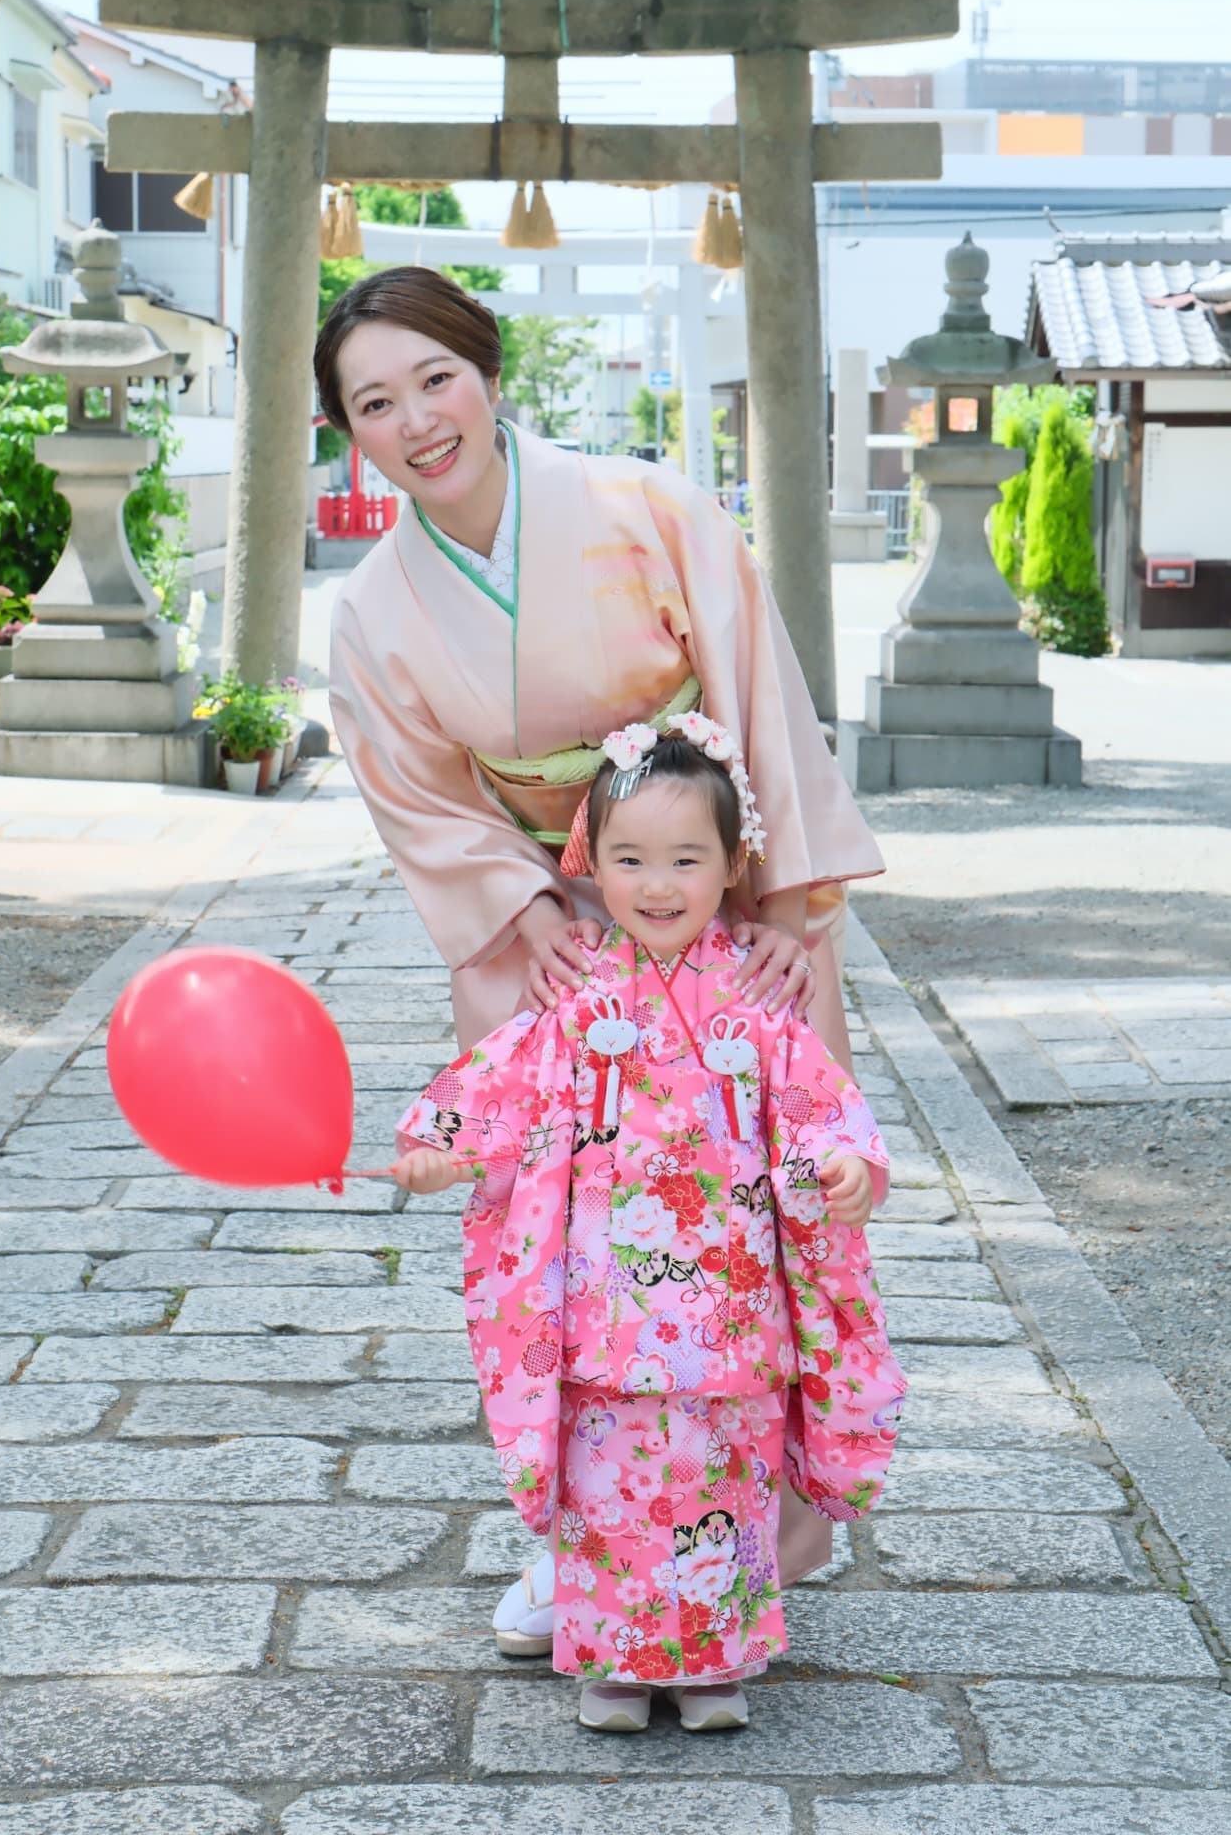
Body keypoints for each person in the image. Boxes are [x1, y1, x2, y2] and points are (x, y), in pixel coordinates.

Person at [384, 718, 905, 1732]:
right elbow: (507, 1087)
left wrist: (846, 1164)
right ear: (589, 862)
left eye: (684, 858)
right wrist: (447, 1145)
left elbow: (815, 1102)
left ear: (728, 865)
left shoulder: (753, 995)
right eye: (628, 858)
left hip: (726, 1301)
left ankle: (712, 1662)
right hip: (604, 1300)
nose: (656, 884)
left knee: (722, 1475)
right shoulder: (575, 987)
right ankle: (615, 1660)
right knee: (611, 1480)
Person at [315, 266, 883, 1076]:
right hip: (545, 915)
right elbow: (427, 805)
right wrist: (537, 923)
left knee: (763, 1148)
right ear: (350, 431)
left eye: (437, 379)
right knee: (568, 1162)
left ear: (490, 374)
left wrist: (782, 917)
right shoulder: (370, 610)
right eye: (375, 405)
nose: (417, 423)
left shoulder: (656, 509)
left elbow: (767, 713)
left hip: (714, 882)